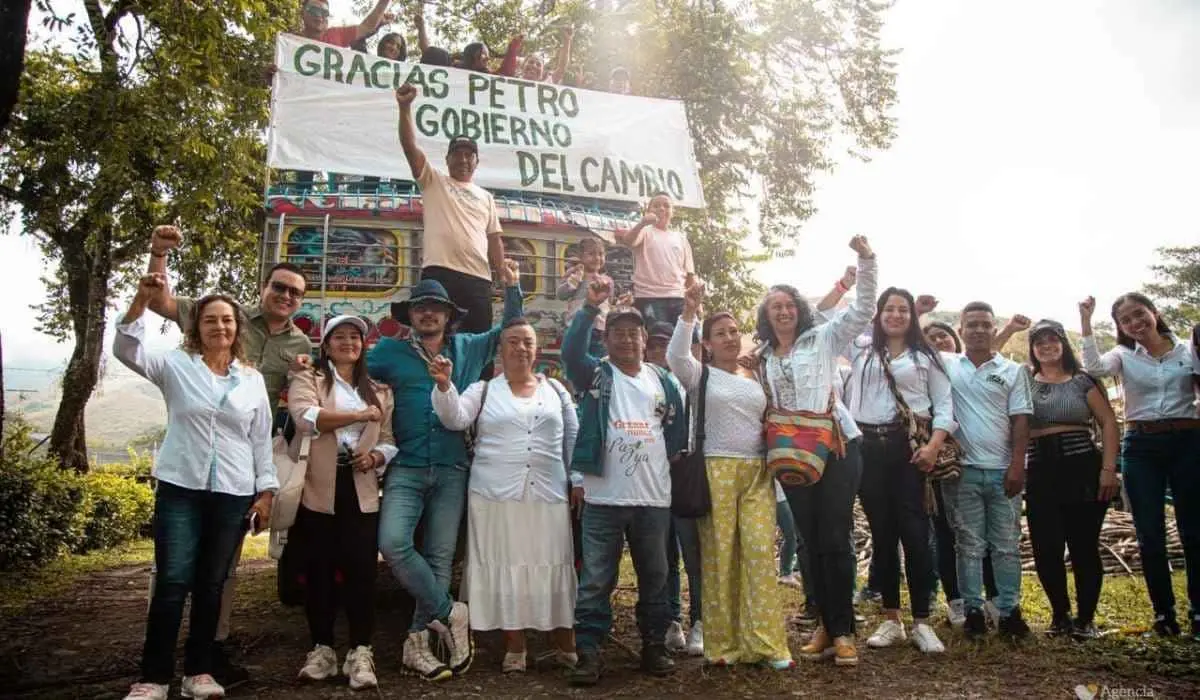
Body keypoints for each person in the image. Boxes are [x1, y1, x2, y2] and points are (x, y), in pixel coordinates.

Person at [145, 225, 311, 686]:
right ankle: (159, 658)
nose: (285, 296)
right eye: (278, 287)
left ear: (301, 301)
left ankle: (209, 652)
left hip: (251, 454)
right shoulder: (224, 315)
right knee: (174, 571)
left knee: (223, 566)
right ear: (264, 288)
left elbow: (293, 403)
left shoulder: (301, 345)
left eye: (294, 292)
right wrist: (159, 254)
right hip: (196, 449)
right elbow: (159, 301)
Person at [115, 275, 276, 700]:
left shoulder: (251, 379)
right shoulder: (175, 365)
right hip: (181, 486)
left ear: (238, 328)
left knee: (212, 582)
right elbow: (126, 348)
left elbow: (261, 438)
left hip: (233, 490)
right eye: (210, 320)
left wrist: (266, 492)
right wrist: (140, 302)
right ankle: (152, 678)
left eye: (227, 320)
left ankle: (199, 673)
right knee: (171, 580)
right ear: (196, 327)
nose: (219, 327)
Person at [367, 261, 524, 681]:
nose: (428, 313)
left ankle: (418, 643)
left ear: (449, 316)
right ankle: (451, 612)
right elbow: (352, 374)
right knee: (393, 542)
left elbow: (511, 329)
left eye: (436, 307)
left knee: (438, 555)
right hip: (406, 465)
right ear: (411, 315)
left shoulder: (468, 347)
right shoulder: (388, 352)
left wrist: (512, 287)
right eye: (420, 307)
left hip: (454, 467)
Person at [752, 235, 877, 667]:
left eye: (789, 304)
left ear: (800, 310)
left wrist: (866, 261)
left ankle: (843, 631)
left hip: (836, 446)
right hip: (790, 453)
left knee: (835, 537)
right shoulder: (762, 356)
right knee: (809, 540)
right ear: (767, 317)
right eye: (775, 307)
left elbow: (863, 311)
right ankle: (825, 623)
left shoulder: (823, 338)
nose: (783, 311)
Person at [429, 319, 580, 673]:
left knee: (553, 561)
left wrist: (576, 479)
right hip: (495, 495)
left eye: (527, 341)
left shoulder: (556, 390)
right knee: (507, 563)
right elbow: (455, 418)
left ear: (536, 350)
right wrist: (445, 386)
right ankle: (515, 643)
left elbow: (572, 438)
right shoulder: (483, 390)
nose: (520, 348)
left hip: (547, 492)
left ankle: (564, 640)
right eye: (512, 341)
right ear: (500, 350)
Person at [562, 280, 688, 686]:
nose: (627, 339)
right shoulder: (595, 375)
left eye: (634, 332)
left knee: (656, 574)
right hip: (603, 497)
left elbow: (675, 432)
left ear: (644, 338)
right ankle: (590, 652)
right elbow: (569, 353)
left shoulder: (663, 380)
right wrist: (589, 308)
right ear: (607, 339)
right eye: (618, 333)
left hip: (653, 499)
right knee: (598, 578)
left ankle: (653, 645)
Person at [668, 280, 793, 668]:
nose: (729, 338)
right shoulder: (697, 374)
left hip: (757, 471)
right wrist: (689, 312)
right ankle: (722, 646)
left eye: (734, 331)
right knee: (720, 557)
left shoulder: (756, 374)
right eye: (720, 333)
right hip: (715, 469)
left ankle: (767, 643)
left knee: (758, 553)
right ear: (706, 343)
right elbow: (674, 354)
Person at [1080, 293, 1200, 637]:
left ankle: (1198, 613)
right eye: (1126, 320)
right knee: (1150, 534)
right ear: (1121, 327)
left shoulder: (1188, 349)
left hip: (1189, 441)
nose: (1135, 323)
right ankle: (1164, 615)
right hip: (1142, 445)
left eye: (1139, 314)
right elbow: (1093, 369)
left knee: (1194, 531)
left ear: (1154, 312)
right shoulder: (1122, 356)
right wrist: (1087, 322)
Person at [287, 315, 397, 691]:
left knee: (362, 573)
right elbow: (306, 417)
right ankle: (321, 650)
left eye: (355, 336)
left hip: (360, 487)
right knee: (318, 571)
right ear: (327, 344)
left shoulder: (380, 390)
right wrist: (357, 414)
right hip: (318, 486)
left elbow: (388, 436)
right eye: (340, 336)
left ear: (364, 345)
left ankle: (361, 651)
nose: (348, 342)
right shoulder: (309, 379)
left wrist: (376, 458)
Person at [845, 288, 954, 654]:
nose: (895, 315)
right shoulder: (862, 350)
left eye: (902, 310)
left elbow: (944, 406)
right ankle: (892, 618)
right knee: (883, 534)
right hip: (868, 448)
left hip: (909, 449)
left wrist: (933, 447)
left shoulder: (926, 356)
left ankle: (922, 620)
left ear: (912, 316)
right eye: (888, 309)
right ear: (878, 314)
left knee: (916, 532)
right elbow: (831, 317)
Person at [942, 301, 1033, 640]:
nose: (978, 330)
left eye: (985, 324)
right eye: (972, 325)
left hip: (1002, 472)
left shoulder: (1013, 371)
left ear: (995, 330)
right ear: (961, 330)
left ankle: (1009, 611)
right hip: (962, 472)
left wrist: (1017, 466)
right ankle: (974, 611)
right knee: (967, 544)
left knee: (1006, 544)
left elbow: (1021, 420)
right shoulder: (947, 365)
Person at [1024, 319, 1120, 639]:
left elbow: (1108, 422)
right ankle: (1060, 616)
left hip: (1081, 466)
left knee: (1083, 546)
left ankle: (1086, 619)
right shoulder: (1024, 380)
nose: (1047, 346)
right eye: (1040, 342)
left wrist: (1108, 470)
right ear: (1033, 349)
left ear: (1063, 343)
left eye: (1053, 339)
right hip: (1039, 469)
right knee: (1046, 547)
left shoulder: (1082, 382)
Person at [395, 84, 506, 341]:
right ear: (447, 160)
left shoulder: (487, 197)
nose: (463, 160)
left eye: (469, 155)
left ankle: (477, 384)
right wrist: (404, 108)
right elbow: (409, 147)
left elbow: (494, 239)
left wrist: (503, 275)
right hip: (439, 275)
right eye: (457, 154)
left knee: (480, 346)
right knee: (434, 342)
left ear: (477, 162)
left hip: (479, 280)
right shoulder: (434, 181)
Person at [646, 320, 703, 657]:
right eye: (652, 347)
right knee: (662, 556)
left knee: (693, 554)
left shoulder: (691, 385)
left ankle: (700, 621)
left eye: (664, 347)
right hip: (652, 482)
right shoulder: (639, 385)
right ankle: (671, 620)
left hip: (685, 480)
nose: (658, 354)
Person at [615, 193, 695, 328]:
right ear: (648, 210)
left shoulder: (681, 238)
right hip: (649, 297)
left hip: (678, 297)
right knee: (658, 341)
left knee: (687, 339)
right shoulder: (645, 231)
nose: (661, 209)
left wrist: (694, 303)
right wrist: (642, 223)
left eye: (666, 206)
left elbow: (690, 273)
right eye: (656, 206)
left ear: (672, 212)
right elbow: (629, 240)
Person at [557, 238, 613, 358]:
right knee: (576, 359)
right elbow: (561, 295)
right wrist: (575, 281)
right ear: (581, 257)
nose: (597, 258)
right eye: (591, 254)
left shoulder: (607, 280)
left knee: (598, 362)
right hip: (577, 327)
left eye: (601, 254)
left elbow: (609, 305)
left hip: (599, 330)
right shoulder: (575, 275)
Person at [298, 0, 393, 48]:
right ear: (302, 13)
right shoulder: (286, 40)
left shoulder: (335, 34)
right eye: (314, 10)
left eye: (324, 13)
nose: (319, 17)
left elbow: (367, 27)